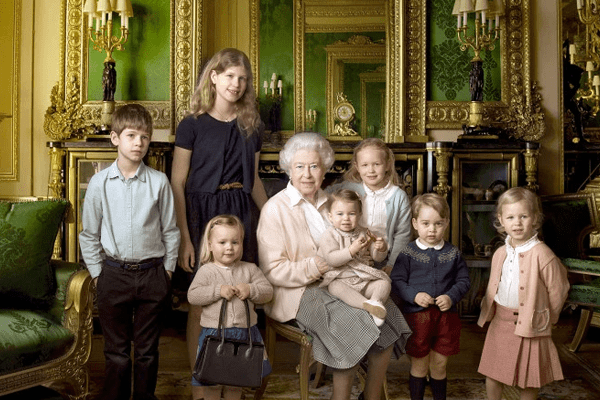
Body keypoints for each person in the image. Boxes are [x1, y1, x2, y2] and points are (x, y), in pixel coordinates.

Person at [257, 132, 412, 400]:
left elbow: (351, 248)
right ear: (288, 170)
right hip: (299, 291)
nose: (307, 174)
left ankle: (371, 395)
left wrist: (372, 248)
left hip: (342, 282)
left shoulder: (333, 202)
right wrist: (312, 267)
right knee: (352, 323)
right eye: (300, 167)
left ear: (325, 169)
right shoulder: (275, 209)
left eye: (314, 166)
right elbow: (273, 270)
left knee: (390, 316)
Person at [170, 48, 268, 399]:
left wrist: (269, 219)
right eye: (229, 76)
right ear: (213, 77)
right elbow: (177, 183)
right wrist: (185, 237)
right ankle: (203, 381)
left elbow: (254, 179)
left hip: (240, 212)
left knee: (242, 295)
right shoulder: (191, 124)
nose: (236, 84)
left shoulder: (251, 126)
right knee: (202, 301)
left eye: (242, 78)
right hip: (200, 214)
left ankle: (238, 374)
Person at [79, 103, 181, 400]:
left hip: (152, 275)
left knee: (148, 351)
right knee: (117, 352)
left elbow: (170, 230)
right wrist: (99, 275)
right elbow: (89, 235)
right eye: (131, 135)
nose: (138, 143)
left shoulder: (159, 183)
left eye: (144, 137)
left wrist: (168, 272)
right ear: (115, 139)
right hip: (113, 275)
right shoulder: (99, 184)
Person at [477, 187, 570, 400]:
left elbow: (559, 289)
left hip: (531, 325)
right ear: (501, 220)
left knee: (529, 378)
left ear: (535, 219)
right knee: (493, 372)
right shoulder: (500, 252)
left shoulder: (542, 253)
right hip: (500, 321)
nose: (517, 223)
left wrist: (548, 318)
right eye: (510, 217)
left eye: (524, 216)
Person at [390, 193, 470, 400]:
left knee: (440, 363)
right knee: (419, 362)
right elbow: (397, 281)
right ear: (415, 223)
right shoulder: (407, 253)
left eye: (438, 224)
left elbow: (463, 281)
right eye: (426, 223)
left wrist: (451, 296)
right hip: (418, 319)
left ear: (446, 224)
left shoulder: (453, 253)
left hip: (446, 318)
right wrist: (414, 295)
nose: (432, 229)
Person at [188, 215, 273, 400]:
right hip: (214, 336)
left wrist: (250, 289)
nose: (229, 247)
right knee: (212, 383)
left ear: (242, 243)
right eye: (222, 242)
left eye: (235, 242)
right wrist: (218, 291)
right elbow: (193, 295)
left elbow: (268, 292)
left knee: (237, 383)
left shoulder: (249, 270)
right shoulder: (206, 271)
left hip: (244, 335)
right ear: (210, 244)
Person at [329, 138, 411, 272]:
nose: (371, 170)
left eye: (376, 164)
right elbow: (323, 197)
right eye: (365, 165)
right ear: (357, 167)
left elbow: (402, 236)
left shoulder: (398, 196)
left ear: (387, 165)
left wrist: (392, 265)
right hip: (351, 254)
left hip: (383, 257)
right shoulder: (350, 188)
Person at [317, 188, 392, 326]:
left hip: (363, 279)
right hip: (341, 278)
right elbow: (331, 259)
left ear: (359, 215)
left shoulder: (365, 233)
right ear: (330, 217)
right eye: (340, 214)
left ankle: (376, 302)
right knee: (334, 287)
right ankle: (366, 305)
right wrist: (351, 250)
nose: (346, 218)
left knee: (384, 283)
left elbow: (376, 258)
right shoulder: (329, 235)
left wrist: (380, 248)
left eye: (351, 214)